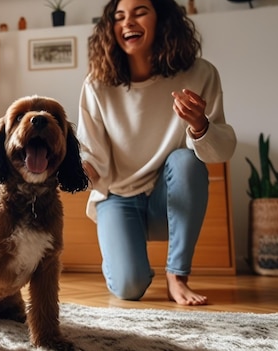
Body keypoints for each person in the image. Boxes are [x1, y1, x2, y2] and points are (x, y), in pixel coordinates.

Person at [77, 0, 236, 305]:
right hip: (118, 196)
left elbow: (220, 151)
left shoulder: (200, 74)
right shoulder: (96, 84)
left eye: (140, 12)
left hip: (168, 199)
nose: (128, 22)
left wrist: (200, 125)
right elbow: (92, 154)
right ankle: (121, 256)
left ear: (162, 20)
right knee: (129, 288)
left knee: (187, 160)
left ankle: (176, 276)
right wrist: (75, 169)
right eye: (119, 17)